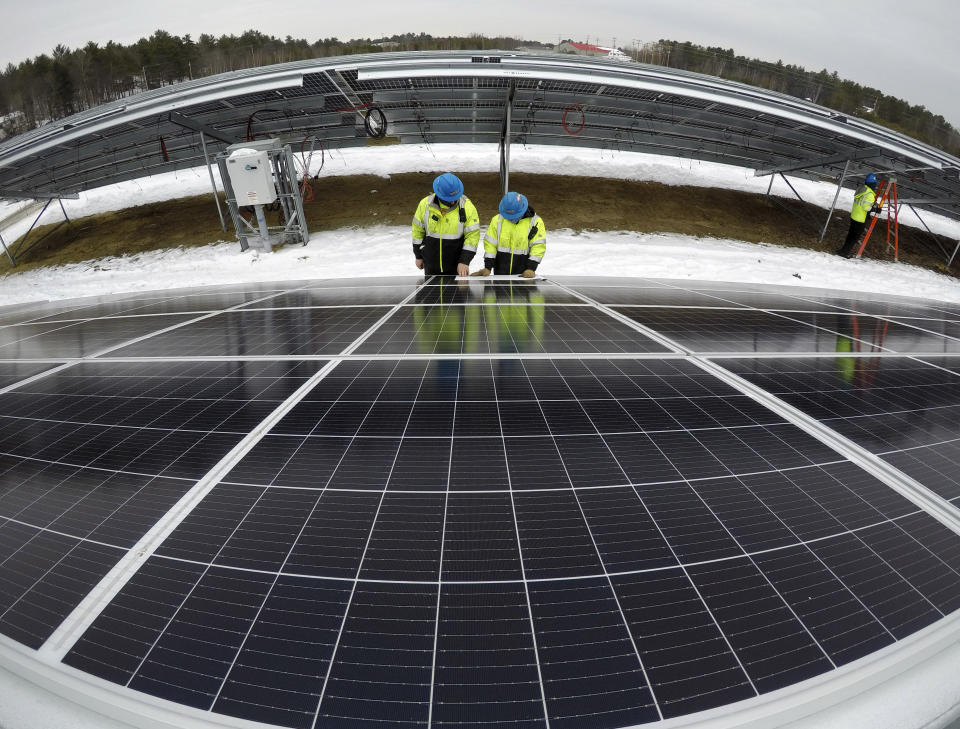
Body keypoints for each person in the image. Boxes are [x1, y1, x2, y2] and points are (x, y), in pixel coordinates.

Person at [411, 173, 481, 276]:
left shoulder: (467, 207)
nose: (453, 202)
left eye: (455, 197)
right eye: (449, 199)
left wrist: (464, 261)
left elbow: (473, 236)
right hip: (430, 266)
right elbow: (417, 231)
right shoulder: (425, 205)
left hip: (457, 268)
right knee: (431, 292)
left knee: (454, 293)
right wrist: (418, 256)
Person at [471, 192, 546, 278]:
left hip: (523, 276)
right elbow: (491, 244)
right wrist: (488, 267)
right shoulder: (497, 220)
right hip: (500, 275)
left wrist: (531, 268)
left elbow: (538, 246)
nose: (511, 219)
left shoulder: (535, 222)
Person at [838, 173, 882, 258]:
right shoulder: (870, 194)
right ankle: (844, 253)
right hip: (860, 219)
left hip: (854, 216)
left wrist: (872, 205)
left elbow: (861, 203)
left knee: (850, 235)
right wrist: (876, 209)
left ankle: (843, 250)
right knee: (854, 237)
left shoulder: (862, 189)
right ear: (873, 184)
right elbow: (866, 208)